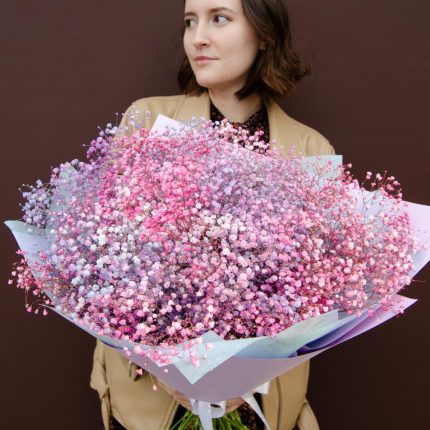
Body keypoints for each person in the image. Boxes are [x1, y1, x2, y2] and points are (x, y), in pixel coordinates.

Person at [90, 1, 335, 429]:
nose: (197, 38)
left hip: (261, 406)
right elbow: (102, 264)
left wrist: (247, 377)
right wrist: (169, 369)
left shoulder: (312, 150)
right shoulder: (147, 121)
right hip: (156, 402)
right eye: (190, 22)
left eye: (219, 18)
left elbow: (320, 295)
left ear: (264, 35)